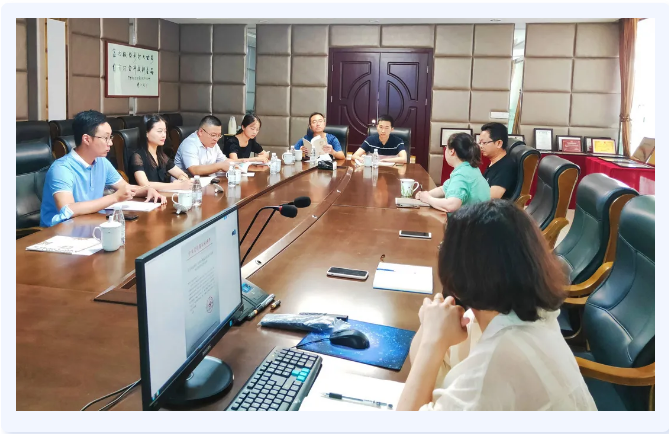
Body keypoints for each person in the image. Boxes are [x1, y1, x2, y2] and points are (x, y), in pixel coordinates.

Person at [397, 200, 597, 411]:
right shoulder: (531, 313)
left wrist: (431, 339)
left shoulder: (495, 365)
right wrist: (431, 333)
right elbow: (429, 369)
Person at [40, 110, 165, 228]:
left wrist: (146, 190)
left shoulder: (101, 161)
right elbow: (68, 209)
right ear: (87, 139)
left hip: (91, 223)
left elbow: (124, 188)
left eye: (110, 138)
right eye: (106, 138)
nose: (110, 143)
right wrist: (114, 197)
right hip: (59, 232)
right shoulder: (62, 168)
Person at [415, 133, 490, 213]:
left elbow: (452, 206)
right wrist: (425, 194)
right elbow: (443, 189)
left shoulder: (462, 174)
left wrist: (428, 199)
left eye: (446, 147)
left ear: (452, 151)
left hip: (471, 220)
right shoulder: (469, 168)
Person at [128, 114, 193, 192]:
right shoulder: (137, 156)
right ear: (146, 133)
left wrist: (182, 180)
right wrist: (177, 186)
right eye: (159, 131)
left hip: (161, 196)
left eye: (165, 131)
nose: (164, 135)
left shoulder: (161, 155)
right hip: (143, 198)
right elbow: (144, 184)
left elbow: (182, 174)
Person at [479, 122, 518, 200]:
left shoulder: (506, 167)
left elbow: (491, 199)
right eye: (480, 143)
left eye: (484, 143)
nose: (481, 146)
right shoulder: (493, 163)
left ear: (499, 143)